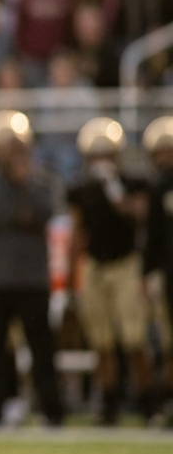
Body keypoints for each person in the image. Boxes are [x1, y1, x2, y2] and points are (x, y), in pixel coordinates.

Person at [0, 110, 64, 427]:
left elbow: (48, 212)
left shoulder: (40, 181)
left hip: (32, 279)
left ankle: (52, 411)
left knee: (40, 348)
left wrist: (23, 187)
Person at [68, 117, 152, 424]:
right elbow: (78, 233)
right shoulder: (81, 188)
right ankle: (109, 400)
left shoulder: (133, 183)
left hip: (126, 263)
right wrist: (68, 277)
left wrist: (115, 191)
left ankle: (147, 400)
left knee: (134, 338)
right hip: (94, 264)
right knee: (100, 341)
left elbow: (140, 216)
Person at [141, 116, 173, 424]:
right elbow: (152, 233)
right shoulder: (158, 185)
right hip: (168, 270)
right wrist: (149, 271)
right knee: (166, 340)